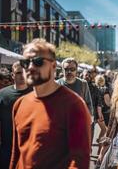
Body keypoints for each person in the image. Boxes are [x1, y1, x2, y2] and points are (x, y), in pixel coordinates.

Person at [9, 39, 91, 169]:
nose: (30, 67)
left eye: (38, 62)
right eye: (25, 63)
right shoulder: (20, 104)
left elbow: (79, 161)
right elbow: (16, 153)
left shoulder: (74, 105)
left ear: (53, 66)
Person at [0, 62, 32, 169]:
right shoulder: (2, 95)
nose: (22, 75)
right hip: (8, 150)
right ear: (12, 75)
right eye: (18, 73)